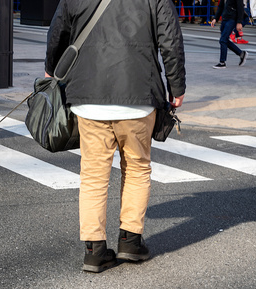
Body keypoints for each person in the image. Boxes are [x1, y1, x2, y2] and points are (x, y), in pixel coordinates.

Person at [45, 0, 186, 273]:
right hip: (139, 94)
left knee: (93, 174)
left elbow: (58, 32)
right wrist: (176, 85)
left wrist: (51, 67)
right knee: (136, 167)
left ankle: (94, 249)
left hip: (88, 94)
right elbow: (170, 39)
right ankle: (130, 240)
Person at [211, 0, 248, 69]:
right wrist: (215, 18)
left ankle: (222, 62)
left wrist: (239, 22)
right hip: (225, 18)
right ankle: (241, 54)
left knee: (223, 40)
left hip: (232, 19)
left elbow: (240, 8)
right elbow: (220, 7)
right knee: (224, 40)